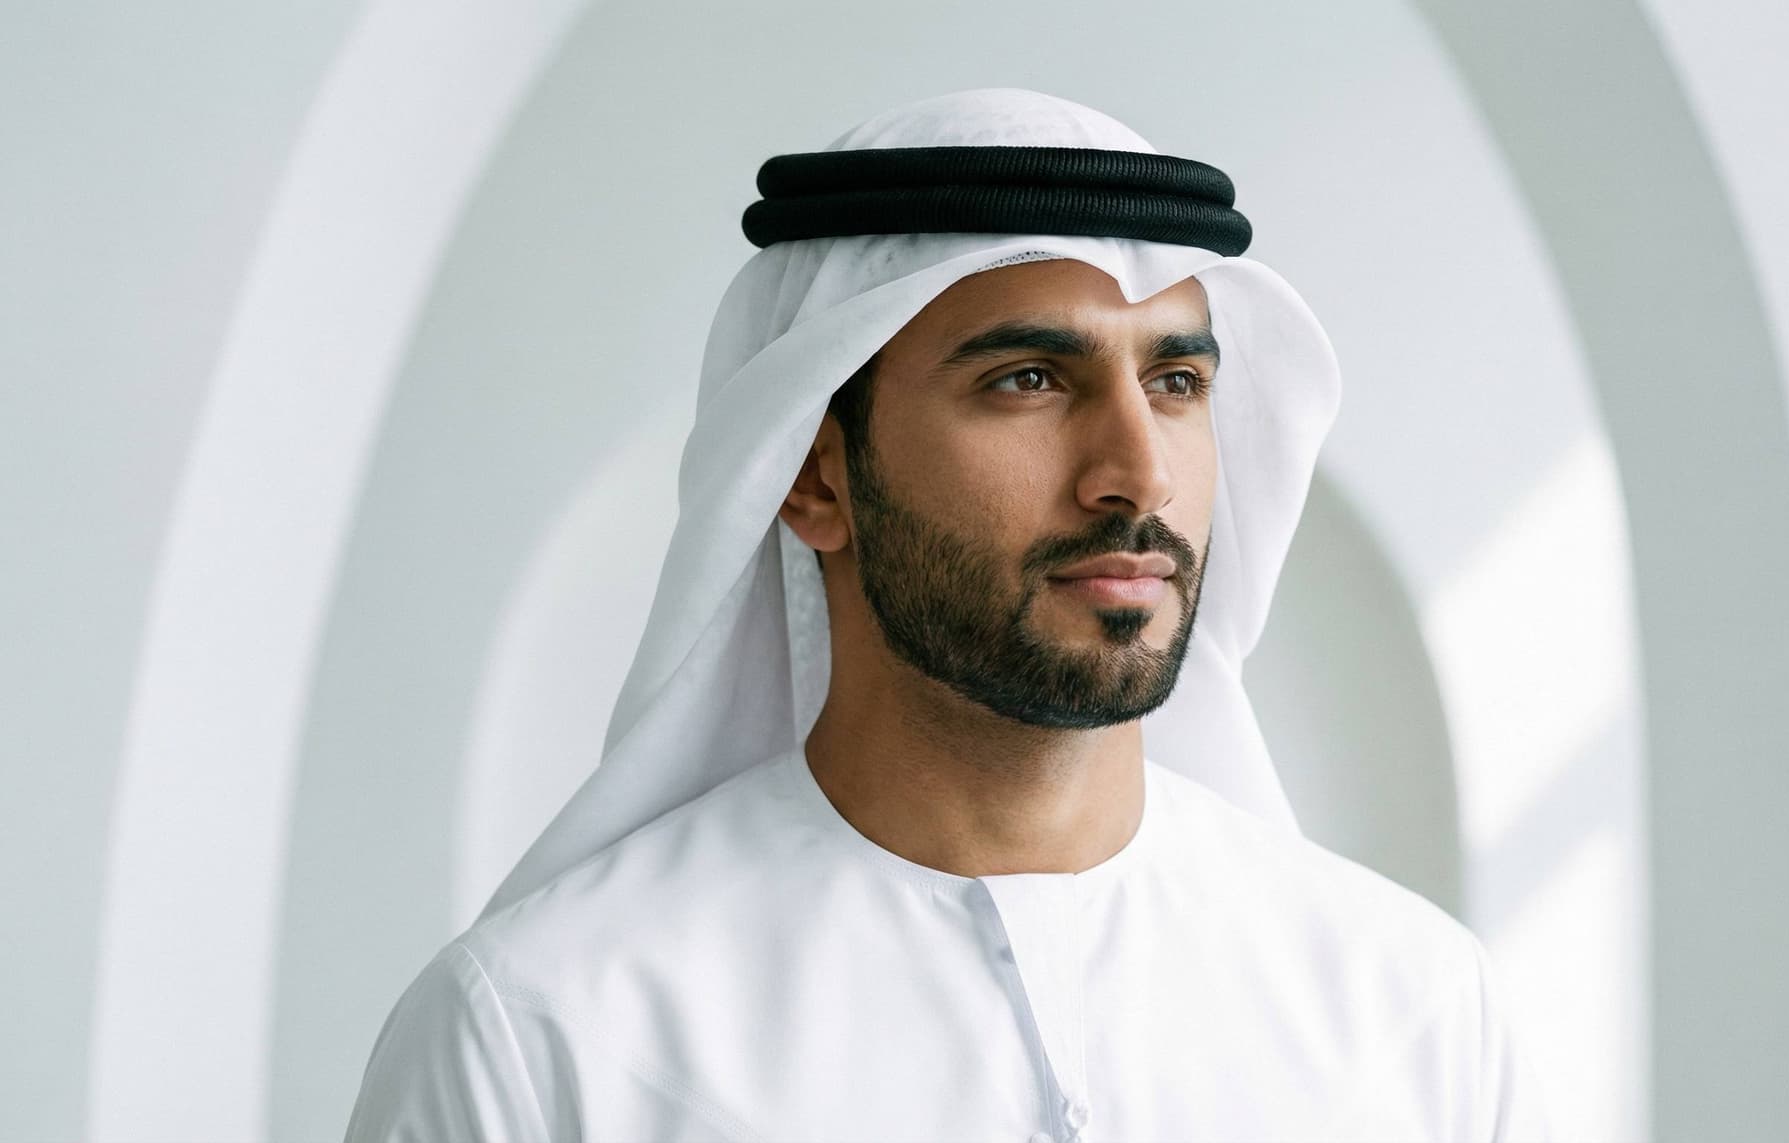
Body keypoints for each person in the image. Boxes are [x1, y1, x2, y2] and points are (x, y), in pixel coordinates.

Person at [344, 88, 1547, 1143]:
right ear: (813, 479)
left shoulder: (1415, 1015)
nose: (1139, 472)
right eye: (1028, 381)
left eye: (1174, 384)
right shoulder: (544, 1033)